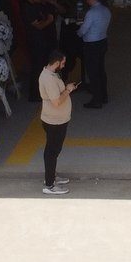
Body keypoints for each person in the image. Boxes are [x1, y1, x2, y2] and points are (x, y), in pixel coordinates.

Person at [38, 49, 79, 195]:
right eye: (62, 63)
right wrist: (68, 90)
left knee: (54, 150)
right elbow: (56, 102)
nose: (63, 65)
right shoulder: (49, 79)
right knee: (52, 151)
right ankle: (49, 184)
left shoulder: (50, 74)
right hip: (54, 121)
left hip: (56, 119)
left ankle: (52, 176)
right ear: (56, 63)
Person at [77, 0, 112, 108]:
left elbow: (83, 30)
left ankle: (97, 99)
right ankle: (104, 95)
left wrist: (78, 33)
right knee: (101, 69)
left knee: (93, 72)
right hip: (102, 41)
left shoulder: (91, 13)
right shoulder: (106, 10)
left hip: (92, 44)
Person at [23, 0, 59, 102]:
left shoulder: (37, 5)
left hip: (42, 42)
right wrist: (49, 20)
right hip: (35, 42)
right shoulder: (28, 8)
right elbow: (38, 26)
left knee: (43, 67)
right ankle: (34, 95)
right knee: (37, 68)